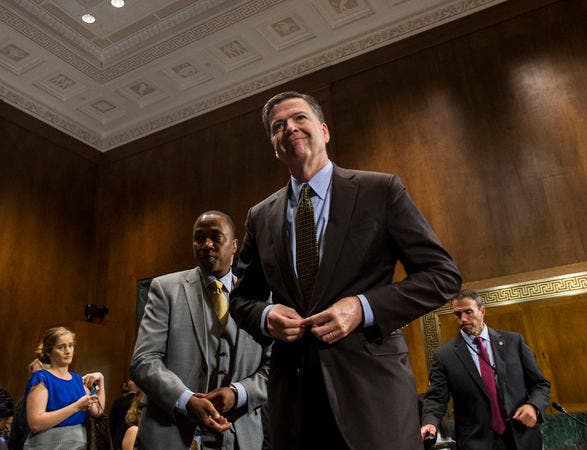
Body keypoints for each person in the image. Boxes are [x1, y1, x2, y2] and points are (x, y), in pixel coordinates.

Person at [229, 91, 461, 449]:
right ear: (275, 146)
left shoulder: (380, 190)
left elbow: (442, 275)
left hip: (373, 400)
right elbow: (241, 299)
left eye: (299, 118)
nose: (289, 128)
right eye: (278, 126)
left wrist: (362, 308)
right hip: (294, 405)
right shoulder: (260, 217)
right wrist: (266, 315)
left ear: (324, 131)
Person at [130, 210, 270, 450]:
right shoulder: (165, 289)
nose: (206, 244)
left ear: (234, 245)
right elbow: (143, 361)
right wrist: (186, 401)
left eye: (216, 237)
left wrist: (238, 393)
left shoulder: (261, 297)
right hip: (170, 434)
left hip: (240, 438)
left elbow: (274, 368)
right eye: (199, 238)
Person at [420, 290, 550, 450]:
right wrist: (430, 422)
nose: (463, 319)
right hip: (475, 442)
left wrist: (533, 406)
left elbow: (540, 384)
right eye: (458, 314)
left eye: (468, 312)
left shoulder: (513, 342)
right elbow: (435, 398)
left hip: (521, 437)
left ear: (482, 311)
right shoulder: (444, 355)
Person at [23, 326, 106, 449]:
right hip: (48, 444)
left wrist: (101, 380)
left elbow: (97, 411)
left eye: (70, 345)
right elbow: (35, 423)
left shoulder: (78, 380)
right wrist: (76, 407)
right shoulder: (43, 378)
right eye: (61, 347)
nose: (68, 351)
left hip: (78, 444)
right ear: (48, 351)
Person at [8, 359, 46, 450]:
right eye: (33, 375)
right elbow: (15, 436)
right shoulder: (22, 402)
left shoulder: (59, 400)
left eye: (41, 374)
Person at [109, 379, 140, 450]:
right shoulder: (141, 403)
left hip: (118, 438)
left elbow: (111, 424)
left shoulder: (118, 402)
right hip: (136, 439)